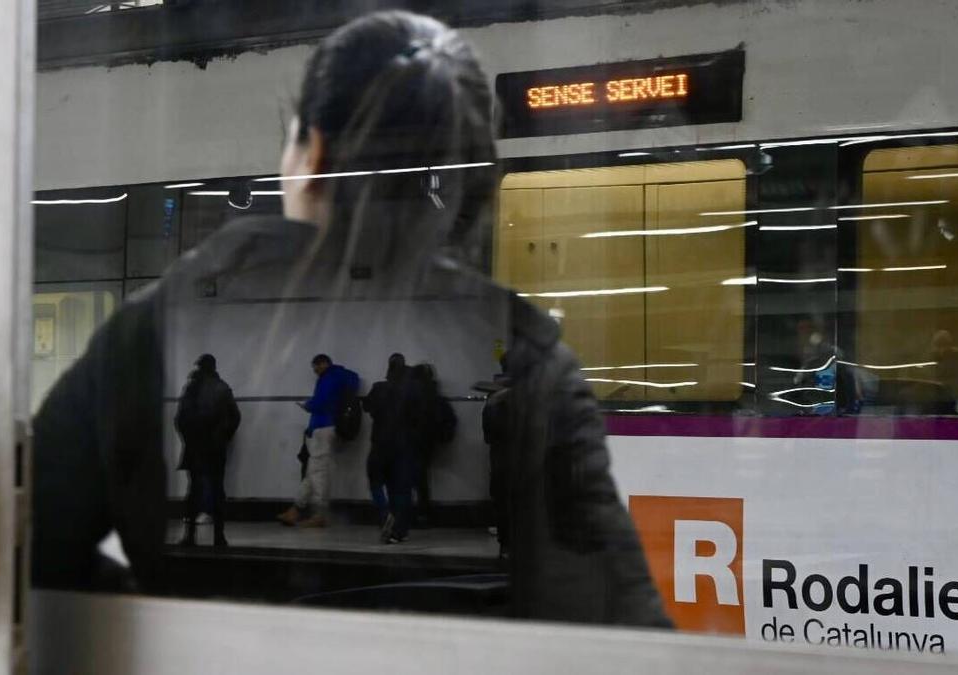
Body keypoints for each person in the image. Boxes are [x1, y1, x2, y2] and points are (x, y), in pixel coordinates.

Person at [33, 10, 670, 627]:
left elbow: (22, 548)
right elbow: (615, 612)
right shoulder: (538, 354)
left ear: (309, 154)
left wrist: (160, 619)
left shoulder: (149, 325)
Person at [276, 354, 359, 528]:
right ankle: (296, 509)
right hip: (324, 428)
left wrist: (307, 405)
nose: (315, 370)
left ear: (325, 363)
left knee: (318, 472)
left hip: (322, 428)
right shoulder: (341, 377)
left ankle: (320, 513)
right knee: (312, 472)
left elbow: (321, 402)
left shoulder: (329, 377)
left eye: (316, 366)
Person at [173, 353, 240, 547]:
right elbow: (235, 417)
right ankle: (219, 537)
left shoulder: (192, 388)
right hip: (216, 448)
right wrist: (223, 437)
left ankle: (189, 536)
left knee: (193, 491)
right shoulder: (223, 388)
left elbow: (180, 419)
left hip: (195, 448)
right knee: (218, 490)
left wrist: (188, 440)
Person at [363, 352, 407, 538]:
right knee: (396, 487)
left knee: (375, 482)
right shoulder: (408, 391)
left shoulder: (379, 388)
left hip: (379, 443)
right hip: (400, 446)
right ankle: (399, 527)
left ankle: (384, 512)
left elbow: (367, 407)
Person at [411, 362, 454, 528]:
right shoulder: (434, 394)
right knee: (421, 478)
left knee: (411, 478)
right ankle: (423, 512)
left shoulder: (412, 393)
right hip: (428, 441)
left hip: (412, 440)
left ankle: (416, 512)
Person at [481, 353, 511, 559]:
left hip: (500, 457)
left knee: (502, 502)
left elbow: (488, 432)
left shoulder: (493, 395)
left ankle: (505, 546)